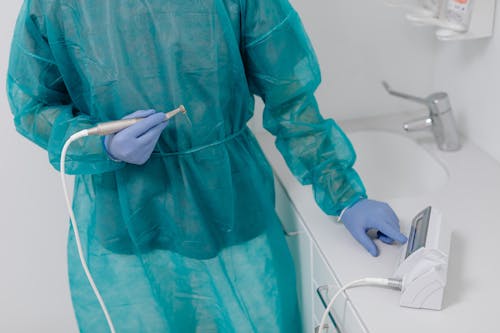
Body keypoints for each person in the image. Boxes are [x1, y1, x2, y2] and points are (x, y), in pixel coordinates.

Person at [7, 0, 407, 332]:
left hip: (226, 201)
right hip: (127, 212)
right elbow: (31, 105)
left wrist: (345, 195)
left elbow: (291, 102)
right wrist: (103, 144)